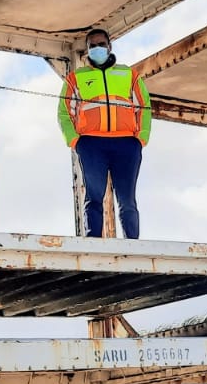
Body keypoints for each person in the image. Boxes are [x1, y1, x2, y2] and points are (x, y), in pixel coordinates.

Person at [57, 28, 151, 239]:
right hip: (91, 145)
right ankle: (93, 242)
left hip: (126, 143)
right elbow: (64, 111)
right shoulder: (76, 78)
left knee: (127, 200)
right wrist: (74, 140)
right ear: (87, 50)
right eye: (92, 46)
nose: (97, 48)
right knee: (94, 197)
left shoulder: (128, 74)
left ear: (109, 47)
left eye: (101, 44)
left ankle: (133, 243)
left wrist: (141, 138)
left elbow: (144, 106)